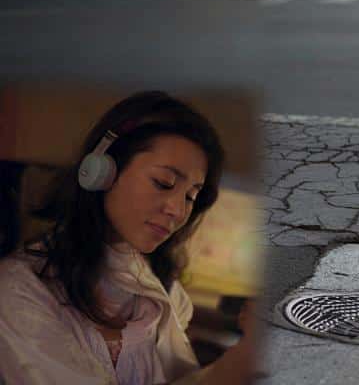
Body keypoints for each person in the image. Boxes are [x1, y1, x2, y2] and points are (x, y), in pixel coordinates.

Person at [0, 92, 259, 384]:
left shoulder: (167, 290)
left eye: (191, 197)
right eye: (163, 183)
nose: (177, 210)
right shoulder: (18, 290)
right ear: (101, 170)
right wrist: (244, 359)